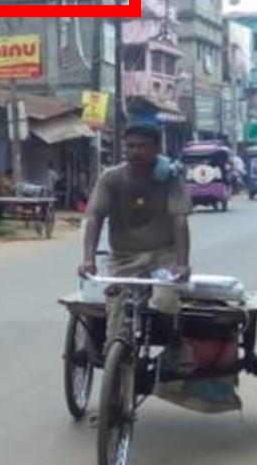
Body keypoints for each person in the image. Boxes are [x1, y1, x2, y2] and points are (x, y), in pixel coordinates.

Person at [79, 123, 193, 374]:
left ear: (156, 148)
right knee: (116, 304)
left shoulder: (170, 178)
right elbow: (94, 218)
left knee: (165, 300)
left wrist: (182, 264)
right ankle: (114, 354)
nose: (135, 151)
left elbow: (180, 220)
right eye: (130, 146)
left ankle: (174, 343)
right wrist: (88, 260)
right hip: (123, 257)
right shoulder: (111, 178)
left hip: (163, 256)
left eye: (142, 146)